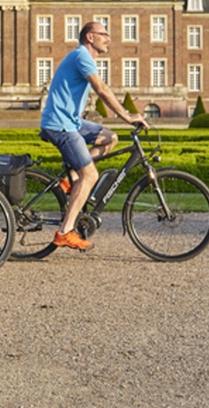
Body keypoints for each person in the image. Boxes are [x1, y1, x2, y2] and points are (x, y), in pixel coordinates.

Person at [40, 21, 146, 250]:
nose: (108, 38)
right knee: (90, 176)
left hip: (72, 122)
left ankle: (70, 181)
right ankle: (65, 231)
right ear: (90, 37)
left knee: (110, 138)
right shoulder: (81, 55)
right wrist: (127, 116)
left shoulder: (82, 57)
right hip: (61, 125)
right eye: (103, 34)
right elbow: (102, 89)